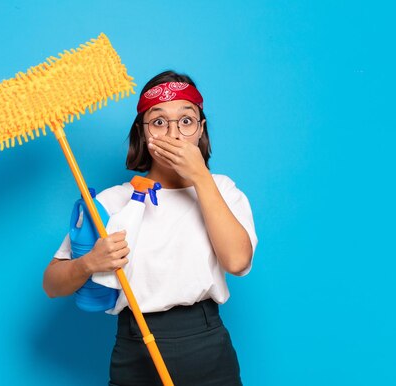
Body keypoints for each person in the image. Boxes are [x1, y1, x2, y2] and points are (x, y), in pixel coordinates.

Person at [42, 70, 258, 386]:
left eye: (186, 121)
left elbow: (237, 262)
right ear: (143, 133)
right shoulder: (111, 201)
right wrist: (90, 263)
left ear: (200, 130)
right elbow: (52, 284)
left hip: (206, 344)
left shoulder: (223, 191)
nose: (173, 133)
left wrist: (200, 178)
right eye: (158, 122)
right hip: (134, 348)